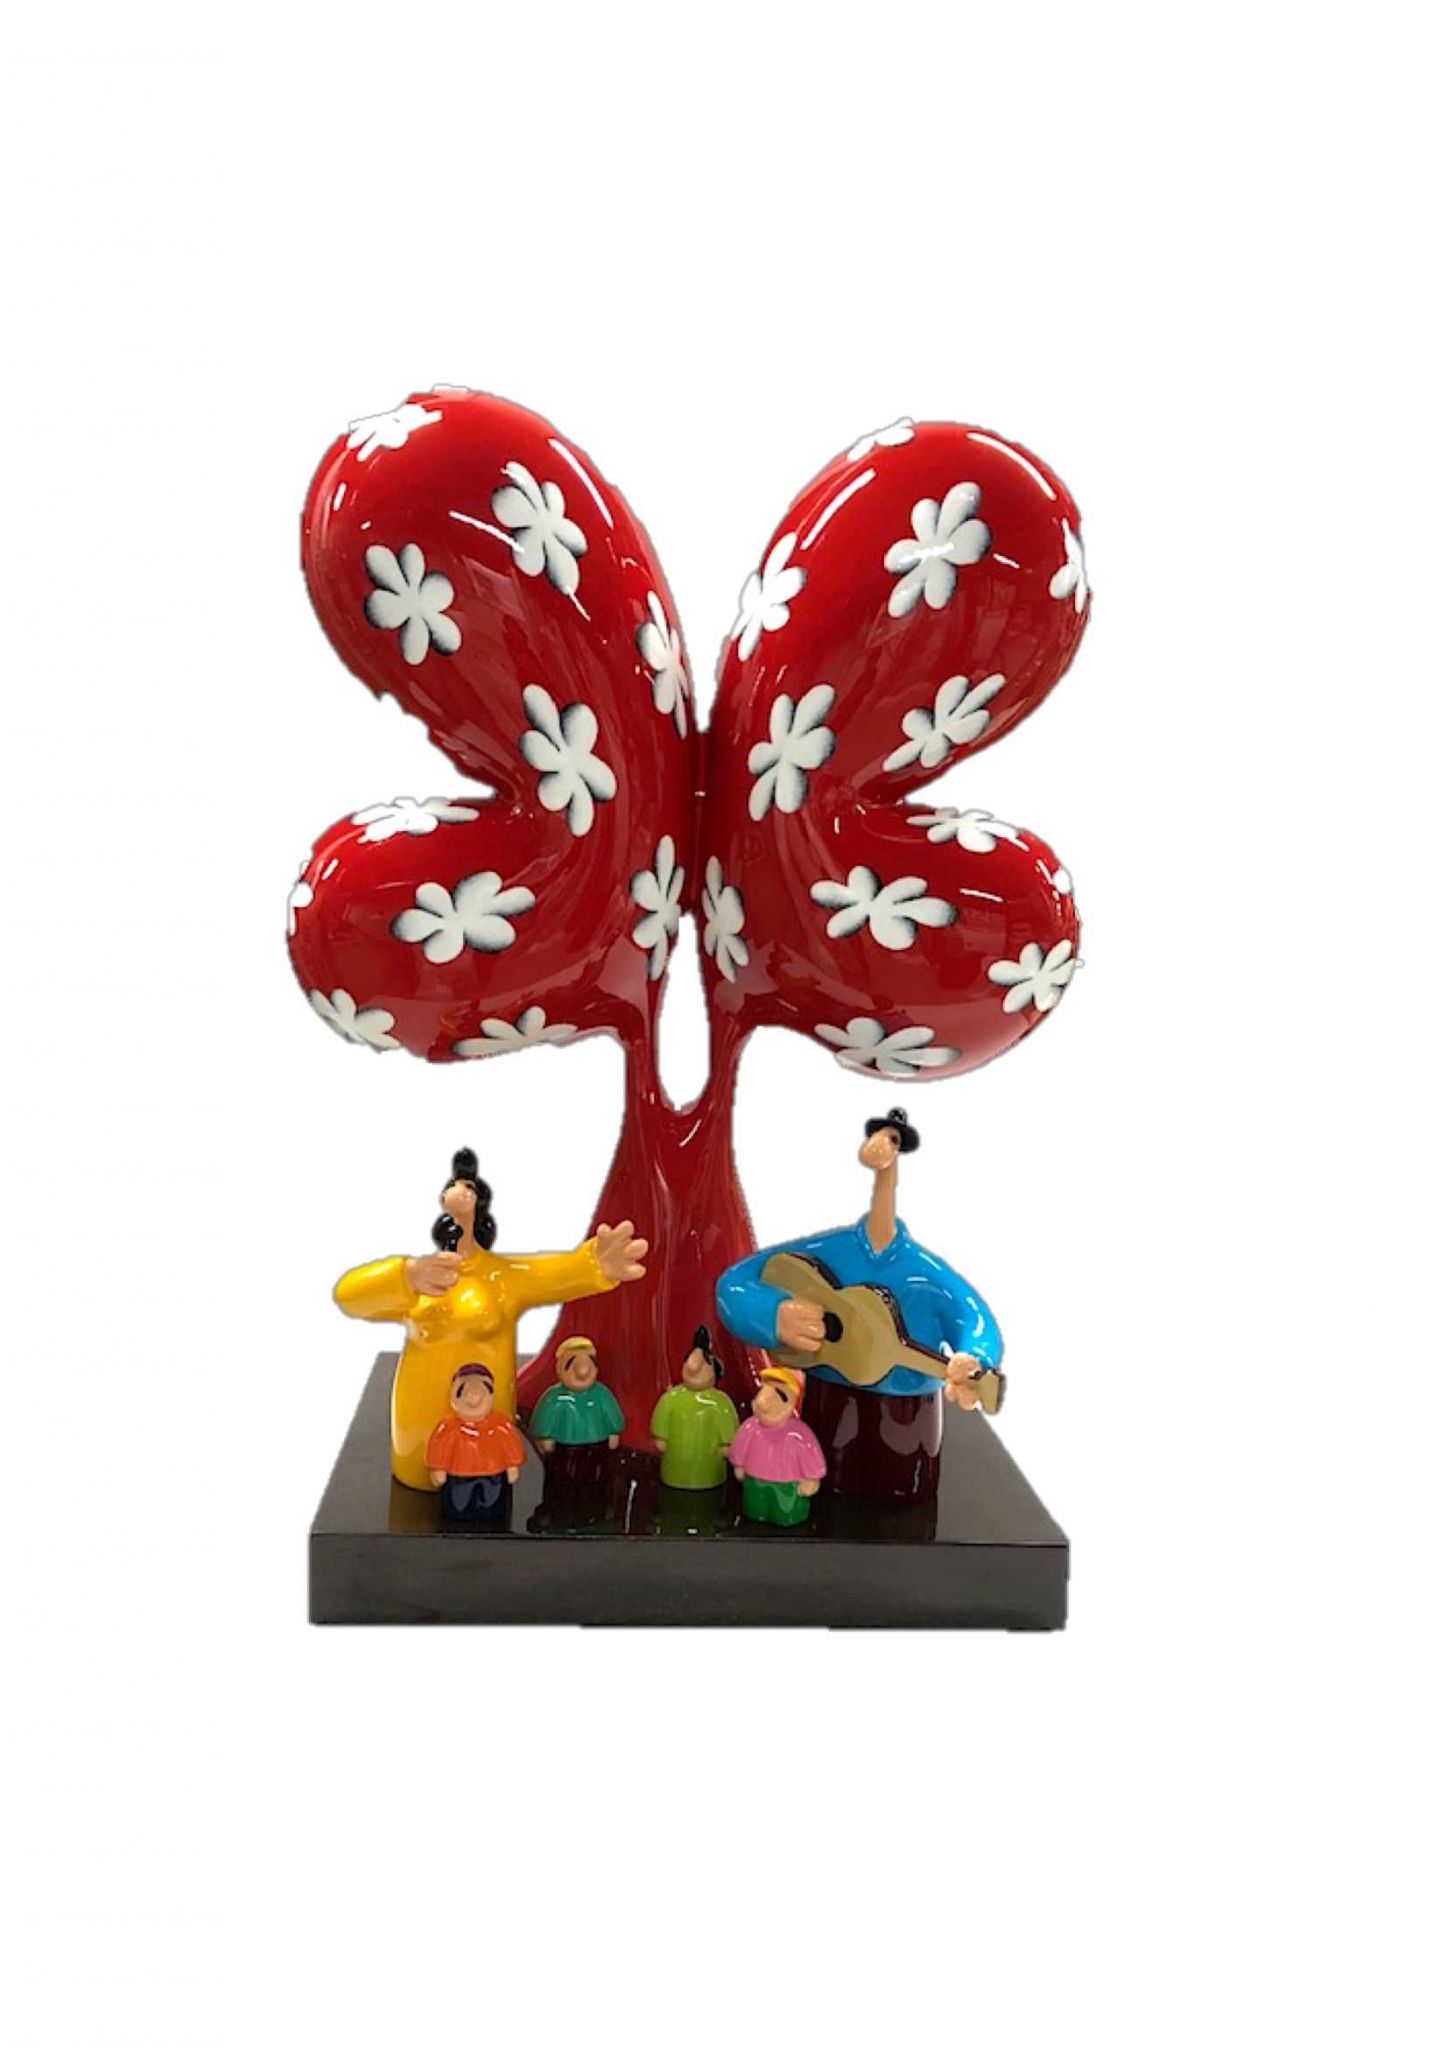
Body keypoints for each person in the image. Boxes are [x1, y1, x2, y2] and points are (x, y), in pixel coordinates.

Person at [715, 1109, 1000, 1502]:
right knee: (826, 1485)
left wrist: (975, 1358)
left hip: (906, 1411)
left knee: (902, 1494)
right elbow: (734, 1284)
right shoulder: (830, 1252)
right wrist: (774, 1314)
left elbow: (972, 1318)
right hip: (829, 1400)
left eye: (893, 1141)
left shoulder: (923, 1273)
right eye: (879, 1137)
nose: (882, 1148)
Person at [334, 1145, 647, 1491]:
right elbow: (348, 1296)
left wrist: (593, 1265)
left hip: (489, 1423)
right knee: (420, 1476)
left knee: (490, 1483)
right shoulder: (422, 1276)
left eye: (469, 1190)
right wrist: (404, 1275)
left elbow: (553, 1274)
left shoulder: (501, 1277)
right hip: (420, 1419)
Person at [424, 1364, 527, 1522]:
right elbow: (439, 1448)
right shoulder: (449, 1428)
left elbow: (510, 1445)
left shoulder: (500, 1424)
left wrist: (512, 1466)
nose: (473, 1398)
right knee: (459, 1508)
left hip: (493, 1476)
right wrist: (438, 1469)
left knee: (493, 1508)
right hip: (459, 1477)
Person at [727, 1367, 827, 1526]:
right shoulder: (750, 1428)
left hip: (788, 1485)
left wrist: (811, 1478)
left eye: (780, 1395)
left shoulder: (798, 1434)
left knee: (786, 1513)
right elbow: (740, 1448)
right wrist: (739, 1465)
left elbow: (810, 1455)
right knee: (755, 1510)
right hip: (755, 1481)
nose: (765, 1402)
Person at [649, 1326, 739, 1491]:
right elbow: (660, 1425)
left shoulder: (720, 1402)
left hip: (710, 1473)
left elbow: (729, 1434)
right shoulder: (671, 1397)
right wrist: (660, 1438)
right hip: (673, 1471)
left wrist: (727, 1446)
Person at [530, 1337, 626, 1453]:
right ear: (559, 1368)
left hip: (598, 1444)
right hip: (565, 1447)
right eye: (571, 1362)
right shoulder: (555, 1397)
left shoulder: (601, 1393)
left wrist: (613, 1432)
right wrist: (546, 1437)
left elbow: (612, 1417)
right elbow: (545, 1421)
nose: (582, 1371)